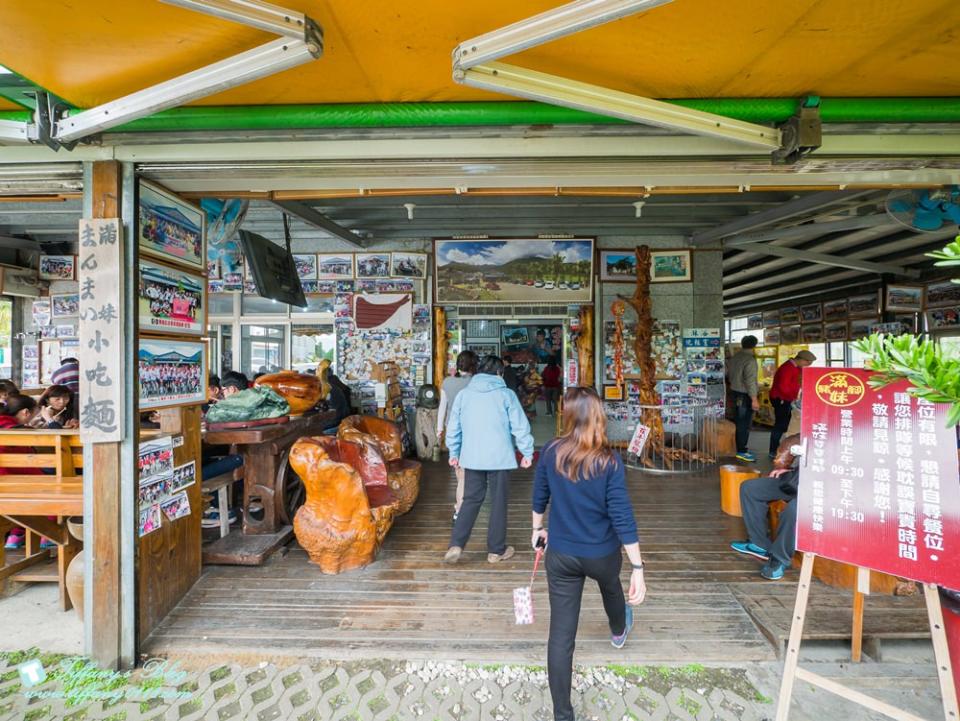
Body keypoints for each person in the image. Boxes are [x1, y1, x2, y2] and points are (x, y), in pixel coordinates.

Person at [532, 387, 646, 721]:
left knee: (561, 636)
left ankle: (562, 715)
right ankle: (617, 630)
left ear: (567, 414)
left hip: (562, 554)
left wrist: (537, 530)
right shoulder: (609, 461)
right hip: (602, 552)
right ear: (598, 415)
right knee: (611, 587)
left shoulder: (552, 450)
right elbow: (622, 516)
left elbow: (539, 496)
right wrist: (637, 566)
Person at [444, 355, 534, 564]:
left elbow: (454, 427)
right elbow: (520, 426)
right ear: (499, 373)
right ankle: (496, 551)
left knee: (470, 500)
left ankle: (456, 544)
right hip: (500, 458)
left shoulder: (465, 395)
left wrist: (454, 453)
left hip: (472, 457)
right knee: (498, 502)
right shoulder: (506, 395)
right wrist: (527, 453)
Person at [730, 435, 800, 580]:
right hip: (798, 479)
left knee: (795, 510)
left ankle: (780, 558)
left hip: (823, 490)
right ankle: (759, 543)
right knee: (750, 488)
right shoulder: (818, 426)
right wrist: (789, 470)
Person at [436, 350, 478, 521]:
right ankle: (462, 507)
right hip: (472, 431)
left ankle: (459, 508)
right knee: (467, 474)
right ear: (474, 365)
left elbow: (442, 408)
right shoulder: (476, 383)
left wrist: (439, 429)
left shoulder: (447, 382)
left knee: (460, 473)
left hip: (453, 431)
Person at [1, 394, 43, 550]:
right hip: (11, 483)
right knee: (47, 483)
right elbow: (30, 467)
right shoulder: (22, 432)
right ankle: (47, 533)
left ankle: (15, 535)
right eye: (33, 415)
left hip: (5, 482)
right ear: (26, 412)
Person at [768, 350, 816, 458]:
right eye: (808, 363)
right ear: (802, 360)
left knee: (784, 424)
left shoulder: (796, 367)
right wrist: (793, 398)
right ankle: (773, 451)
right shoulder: (787, 368)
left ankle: (780, 448)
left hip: (787, 399)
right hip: (781, 399)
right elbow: (783, 387)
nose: (808, 366)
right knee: (780, 425)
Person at [727, 336, 760, 463]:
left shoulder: (735, 357)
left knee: (739, 421)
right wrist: (754, 399)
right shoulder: (750, 360)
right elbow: (750, 381)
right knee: (744, 424)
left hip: (735, 392)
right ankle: (741, 451)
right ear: (754, 346)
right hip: (745, 395)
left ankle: (740, 448)